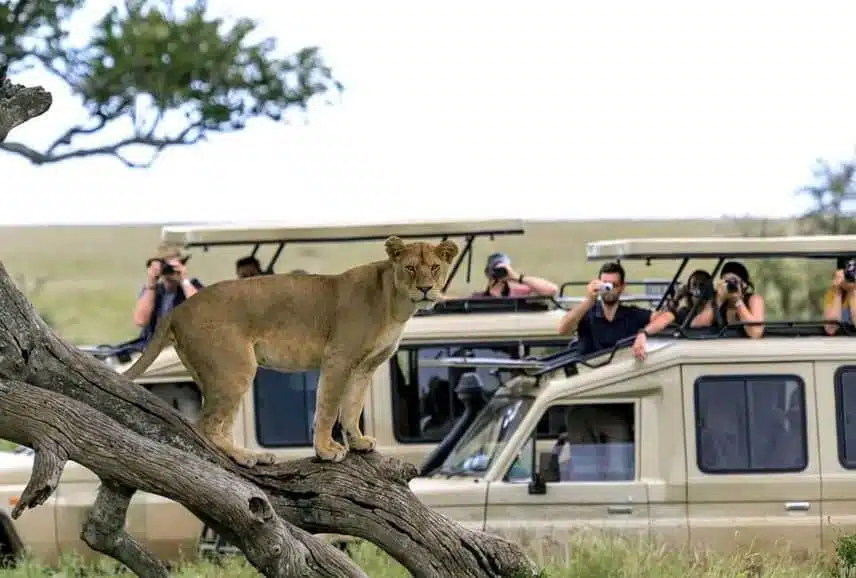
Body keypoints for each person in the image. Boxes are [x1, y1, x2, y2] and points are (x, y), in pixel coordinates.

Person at [557, 261, 676, 361]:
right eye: (605, 285)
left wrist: (644, 333)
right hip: (588, 375)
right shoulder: (587, 313)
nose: (609, 290)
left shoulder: (631, 314)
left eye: (613, 285)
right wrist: (589, 301)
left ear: (622, 287)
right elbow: (562, 329)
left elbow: (667, 316)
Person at [132, 243, 204, 346]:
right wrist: (151, 283)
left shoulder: (193, 287)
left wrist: (184, 280)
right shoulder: (153, 290)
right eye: (165, 267)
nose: (168, 271)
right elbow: (140, 320)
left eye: (172, 267)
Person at [691, 261, 765, 339]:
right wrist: (719, 300)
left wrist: (738, 301)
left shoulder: (753, 299)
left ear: (744, 284)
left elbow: (756, 332)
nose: (730, 285)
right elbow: (695, 328)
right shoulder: (717, 299)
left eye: (734, 281)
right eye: (726, 281)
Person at [473, 252, 558, 298]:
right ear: (487, 273)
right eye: (496, 269)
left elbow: (552, 290)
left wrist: (517, 277)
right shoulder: (478, 298)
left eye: (503, 269)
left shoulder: (519, 293)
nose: (500, 272)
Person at [823, 256, 856, 336]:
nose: (850, 276)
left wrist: (852, 292)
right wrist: (838, 292)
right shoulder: (833, 292)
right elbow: (830, 329)